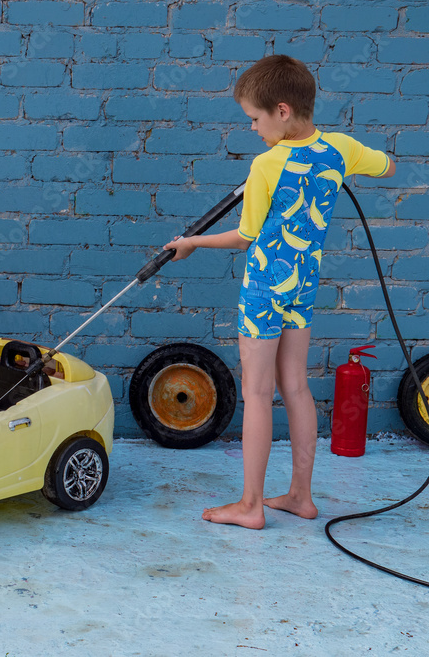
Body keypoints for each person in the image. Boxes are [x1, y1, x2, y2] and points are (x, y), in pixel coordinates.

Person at [164, 54, 395, 529]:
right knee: (296, 386)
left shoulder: (267, 164)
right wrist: (340, 162)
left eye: (254, 118)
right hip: (305, 282)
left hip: (266, 286)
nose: (252, 128)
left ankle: (250, 506)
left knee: (258, 390)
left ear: (283, 111)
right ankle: (301, 497)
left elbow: (245, 237)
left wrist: (191, 243)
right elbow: (387, 167)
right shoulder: (341, 148)